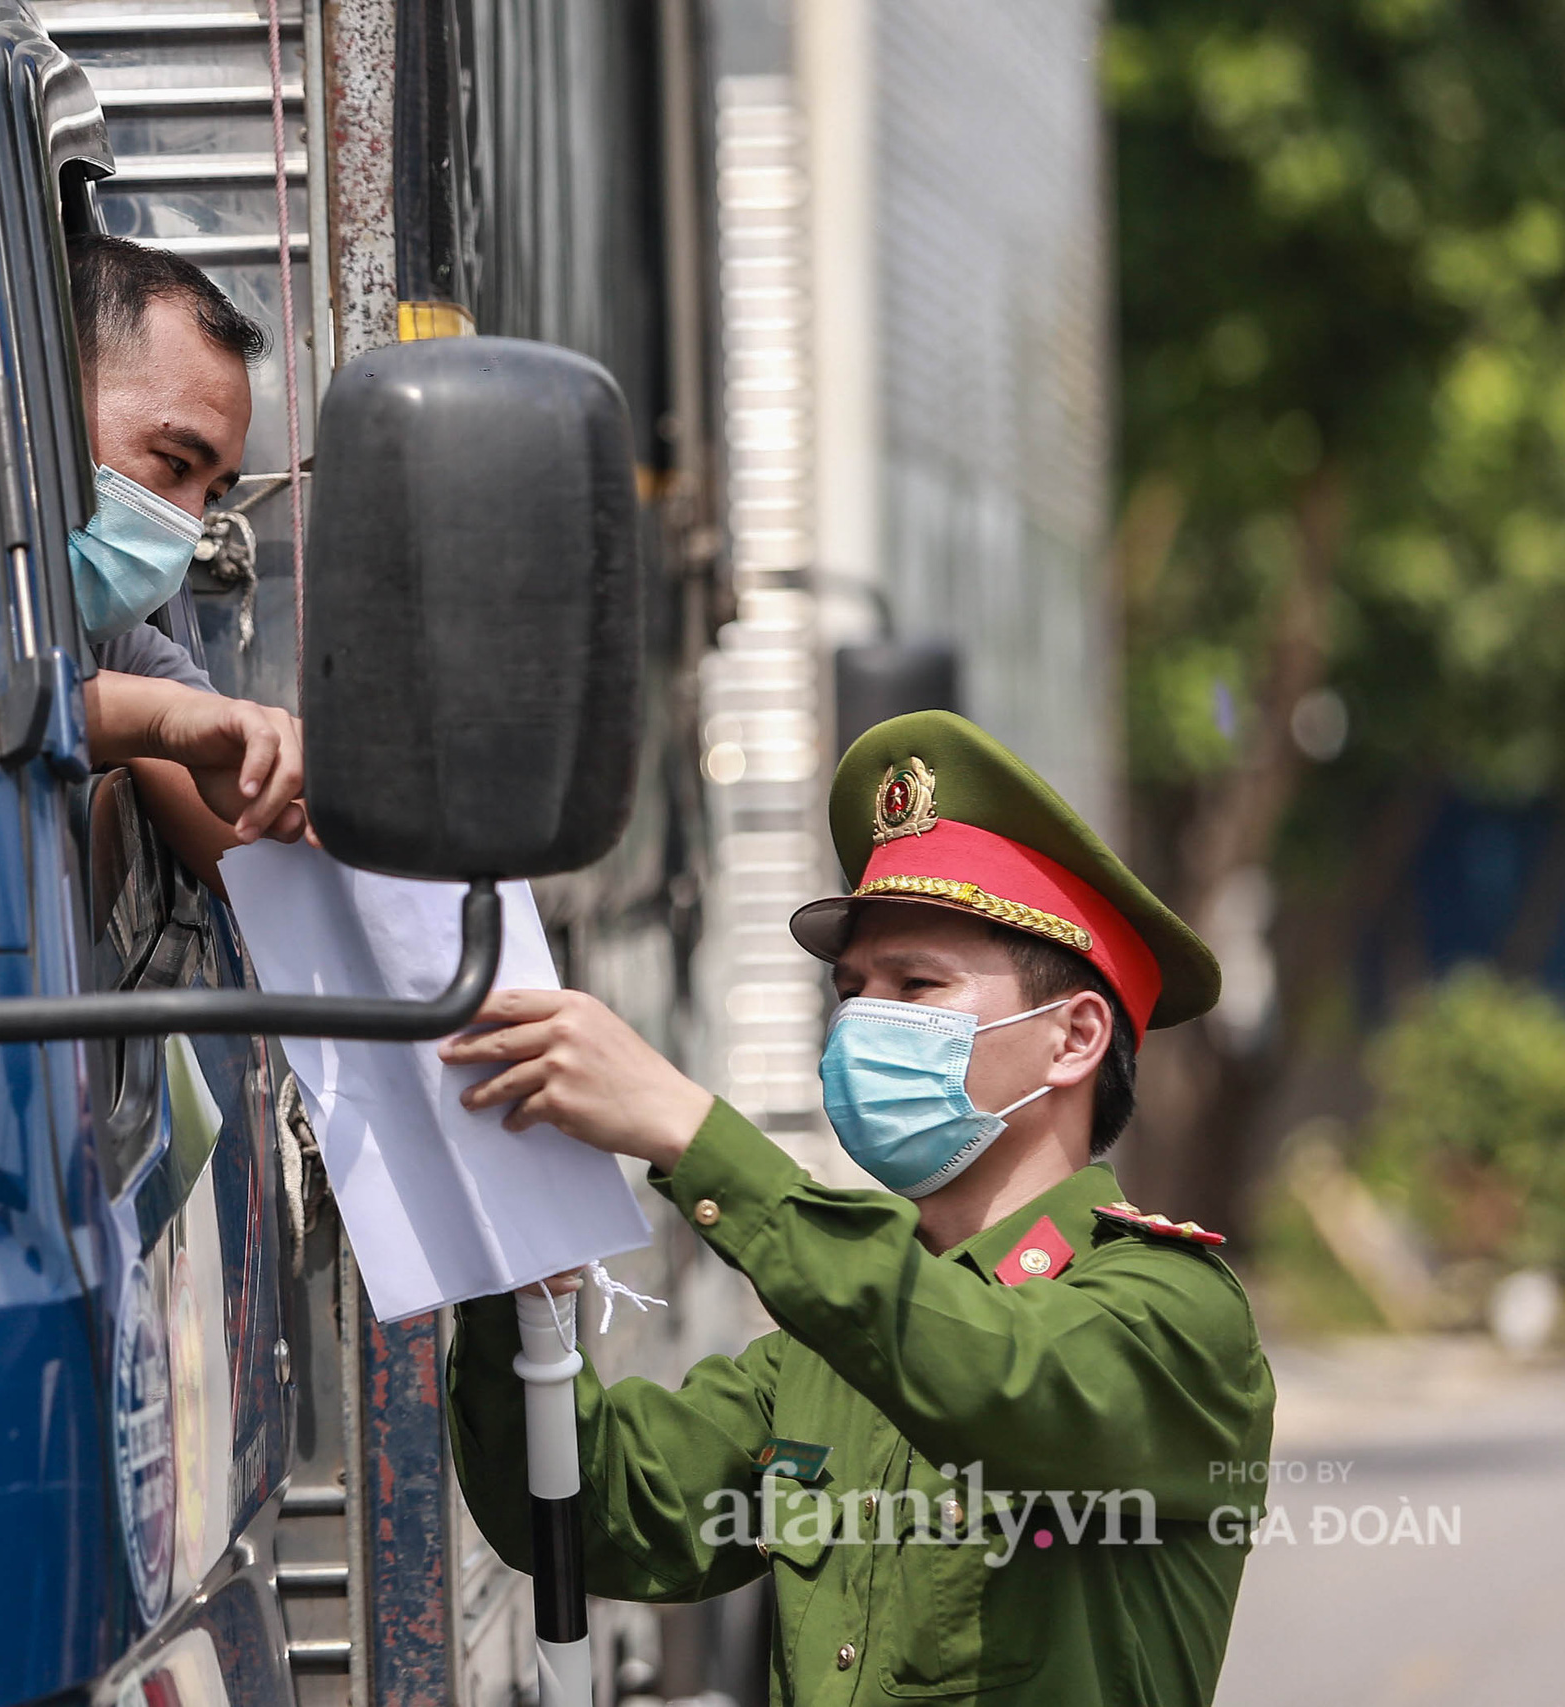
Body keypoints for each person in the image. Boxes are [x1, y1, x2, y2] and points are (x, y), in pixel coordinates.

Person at [438, 711, 1275, 1705]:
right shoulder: (825, 1347)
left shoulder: (1170, 1316)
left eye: (916, 984)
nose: (862, 1021)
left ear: (1073, 1038)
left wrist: (689, 1133)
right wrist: (517, 1287)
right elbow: (599, 1517)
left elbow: (994, 1382)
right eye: (851, 990)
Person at [65, 234, 310, 884]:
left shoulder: (113, 648)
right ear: (47, 401)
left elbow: (267, 861)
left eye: (212, 494)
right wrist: (153, 720)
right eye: (175, 464)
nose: (186, 524)